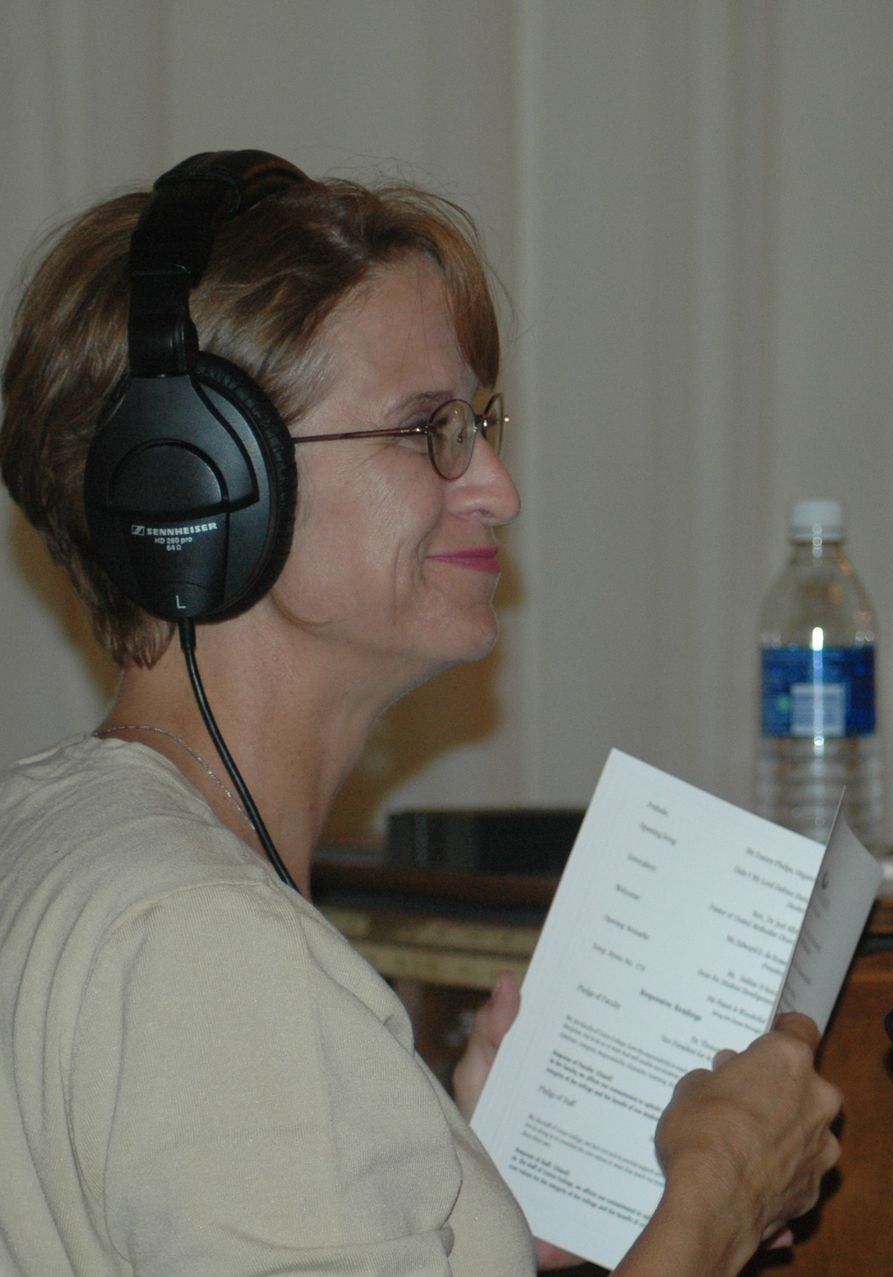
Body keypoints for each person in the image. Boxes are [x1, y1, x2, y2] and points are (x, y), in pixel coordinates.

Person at [0, 156, 840, 1274]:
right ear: (204, 483)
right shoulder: (206, 942)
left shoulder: (50, 832)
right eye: (424, 428)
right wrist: (716, 1199)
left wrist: (472, 1196)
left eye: (477, 422)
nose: (496, 487)